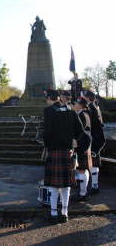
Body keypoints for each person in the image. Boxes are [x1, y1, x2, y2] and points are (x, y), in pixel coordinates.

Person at [43, 89, 88, 223]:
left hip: (54, 150)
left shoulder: (48, 111)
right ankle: (65, 213)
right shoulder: (71, 111)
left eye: (46, 98)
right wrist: (74, 143)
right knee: (66, 184)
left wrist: (47, 145)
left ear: (50, 98)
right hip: (67, 151)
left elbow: (47, 133)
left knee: (53, 185)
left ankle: (53, 213)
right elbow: (81, 131)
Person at [84, 90, 106, 194]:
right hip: (97, 138)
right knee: (94, 164)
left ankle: (93, 186)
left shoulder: (90, 108)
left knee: (92, 164)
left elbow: (89, 124)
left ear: (88, 97)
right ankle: (94, 185)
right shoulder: (96, 106)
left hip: (93, 138)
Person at [72, 97, 93, 201]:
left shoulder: (81, 115)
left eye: (75, 103)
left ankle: (82, 193)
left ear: (80, 105)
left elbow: (80, 132)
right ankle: (83, 192)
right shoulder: (85, 114)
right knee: (83, 169)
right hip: (85, 144)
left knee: (81, 169)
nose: (74, 104)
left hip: (82, 145)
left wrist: (75, 143)